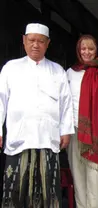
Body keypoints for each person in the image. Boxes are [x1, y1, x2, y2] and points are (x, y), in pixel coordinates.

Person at [0, 23, 74, 207]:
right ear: (24, 41)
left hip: (48, 138)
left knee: (48, 192)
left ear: (47, 44)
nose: (35, 45)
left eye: (40, 41)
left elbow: (65, 103)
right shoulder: (11, 68)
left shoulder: (57, 70)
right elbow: (1, 100)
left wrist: (66, 130)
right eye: (31, 40)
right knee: (15, 190)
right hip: (19, 138)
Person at [66, 35, 98, 208]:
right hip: (74, 131)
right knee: (78, 176)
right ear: (78, 50)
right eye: (83, 49)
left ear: (96, 51)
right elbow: (66, 103)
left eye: (90, 48)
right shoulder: (70, 72)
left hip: (97, 133)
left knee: (95, 176)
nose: (86, 52)